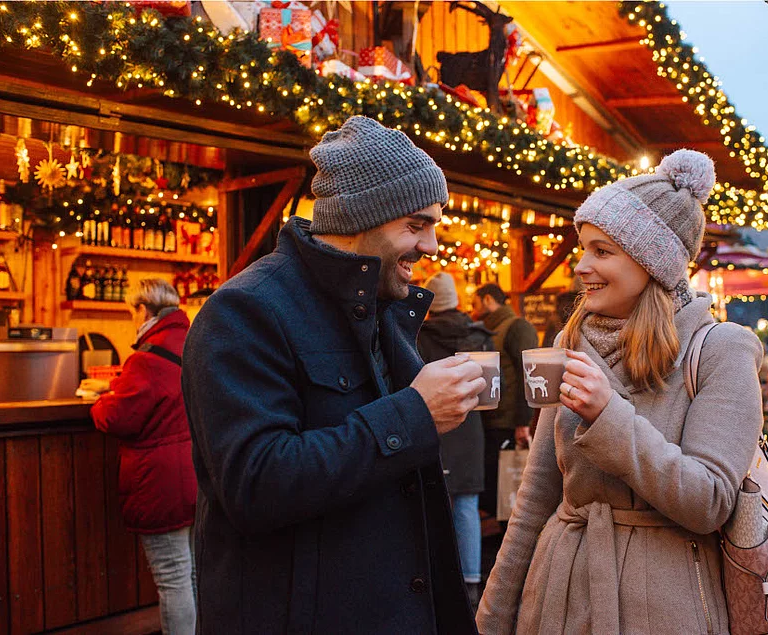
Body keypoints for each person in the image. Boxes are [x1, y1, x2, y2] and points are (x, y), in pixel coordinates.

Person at [182, 116, 484, 634]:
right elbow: (256, 484)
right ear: (359, 218)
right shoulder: (245, 311)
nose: (432, 245)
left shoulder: (385, 309)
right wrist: (414, 413)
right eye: (415, 224)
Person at [477, 150, 763, 634]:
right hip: (556, 599)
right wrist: (492, 618)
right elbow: (536, 496)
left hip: (664, 606)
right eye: (583, 248)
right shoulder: (570, 344)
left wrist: (609, 416)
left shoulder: (722, 350)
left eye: (602, 251)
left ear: (651, 261)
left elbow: (710, 501)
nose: (581, 266)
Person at [87, 278, 197, 635]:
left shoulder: (145, 358)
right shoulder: (194, 342)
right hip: (197, 475)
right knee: (194, 574)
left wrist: (100, 401)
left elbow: (118, 418)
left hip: (159, 483)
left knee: (173, 578)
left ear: (143, 309)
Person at [417, 271, 494, 609]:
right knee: (466, 504)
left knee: (431, 503)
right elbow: (493, 393)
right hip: (470, 427)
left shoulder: (417, 335)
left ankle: (435, 576)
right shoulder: (478, 335)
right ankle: (471, 579)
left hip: (431, 424)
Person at [471, 282, 540, 520]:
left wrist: (523, 422)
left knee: (510, 486)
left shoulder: (517, 327)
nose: (473, 309)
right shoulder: (485, 330)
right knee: (496, 486)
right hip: (490, 418)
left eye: (475, 303)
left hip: (509, 421)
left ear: (488, 299)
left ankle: (511, 537)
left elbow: (527, 374)